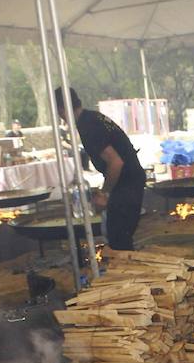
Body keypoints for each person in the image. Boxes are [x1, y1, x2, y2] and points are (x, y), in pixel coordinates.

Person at [55, 87, 146, 251]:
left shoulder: (89, 126)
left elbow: (115, 162)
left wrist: (105, 193)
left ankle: (124, 264)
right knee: (119, 236)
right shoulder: (93, 117)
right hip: (131, 179)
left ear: (62, 109)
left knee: (119, 239)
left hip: (127, 183)